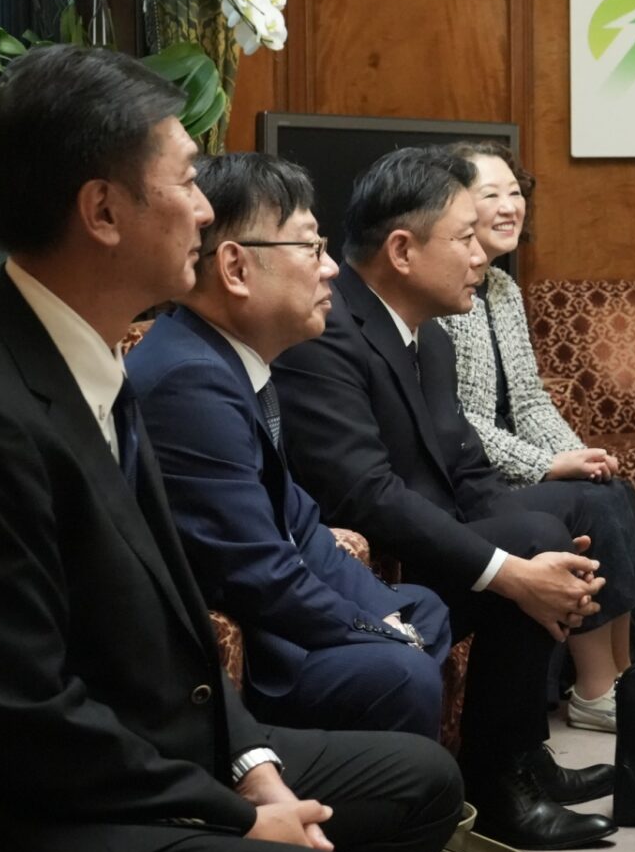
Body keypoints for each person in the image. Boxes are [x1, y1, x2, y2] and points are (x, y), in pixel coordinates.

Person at [0, 46, 460, 852]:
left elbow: (182, 634)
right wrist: (239, 820)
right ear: (103, 211)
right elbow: (23, 720)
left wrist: (254, 765)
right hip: (47, 821)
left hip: (149, 748)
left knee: (422, 783)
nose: (206, 210)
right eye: (184, 180)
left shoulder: (96, 360)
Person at [273, 146, 618, 850]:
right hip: (374, 568)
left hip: (431, 538)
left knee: (551, 529)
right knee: (529, 546)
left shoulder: (428, 340)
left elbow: (468, 471)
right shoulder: (327, 334)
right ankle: (498, 784)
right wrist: (510, 562)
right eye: (464, 238)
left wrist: (544, 550)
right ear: (402, 250)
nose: (480, 256)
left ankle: (521, 757)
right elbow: (364, 494)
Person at [129, 153, 454, 739]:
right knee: (401, 671)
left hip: (279, 619)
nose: (330, 269)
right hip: (248, 659)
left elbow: (300, 527)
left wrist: (386, 619)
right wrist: (380, 634)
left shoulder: (231, 359)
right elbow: (259, 573)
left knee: (421, 609)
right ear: (235, 267)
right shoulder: (189, 382)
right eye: (310, 247)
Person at [439, 140, 635, 733]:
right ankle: (595, 689)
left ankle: (624, 675)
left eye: (515, 193)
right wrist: (547, 466)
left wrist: (577, 455)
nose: (510, 206)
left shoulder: (503, 291)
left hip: (513, 465)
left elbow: (530, 399)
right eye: (491, 195)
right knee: (590, 502)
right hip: (474, 478)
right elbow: (458, 420)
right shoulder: (440, 295)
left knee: (610, 488)